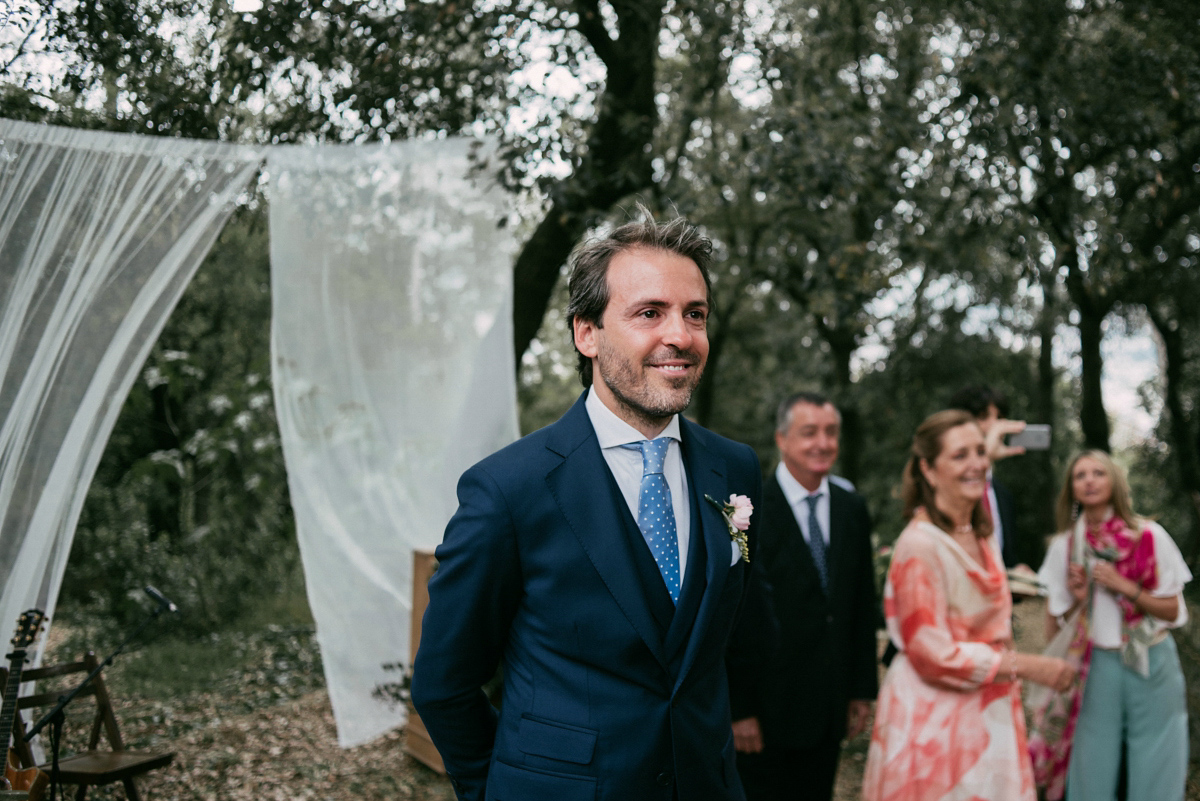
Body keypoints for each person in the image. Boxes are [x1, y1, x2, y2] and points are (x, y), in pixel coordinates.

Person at [410, 210, 764, 801]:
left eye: (694, 314)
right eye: (650, 313)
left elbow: (731, 639)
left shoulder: (736, 469)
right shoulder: (508, 489)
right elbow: (444, 685)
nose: (681, 335)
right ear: (587, 334)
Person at [862, 409, 1074, 801]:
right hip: (934, 719)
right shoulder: (918, 546)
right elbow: (931, 653)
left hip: (989, 706)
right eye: (960, 455)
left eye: (980, 452)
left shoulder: (981, 533)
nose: (977, 463)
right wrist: (1030, 666)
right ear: (928, 469)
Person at [727, 392, 878, 801]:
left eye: (831, 432)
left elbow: (862, 604)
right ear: (782, 439)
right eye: (809, 432)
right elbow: (732, 616)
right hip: (765, 714)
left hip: (828, 709)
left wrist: (862, 689)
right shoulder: (745, 513)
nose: (823, 443)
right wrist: (739, 710)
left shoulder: (851, 507)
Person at [1031, 450, 1191, 801]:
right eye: (1080, 475)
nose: (1089, 480)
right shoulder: (1064, 547)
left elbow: (1173, 610)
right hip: (1095, 664)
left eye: (1098, 473)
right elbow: (1053, 631)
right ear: (1071, 489)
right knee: (1091, 760)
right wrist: (1076, 598)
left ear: (1114, 481)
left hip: (1152, 657)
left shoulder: (1149, 536)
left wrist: (1126, 587)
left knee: (1158, 754)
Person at [947, 384, 1025, 567]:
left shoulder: (1003, 495)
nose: (995, 425)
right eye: (983, 417)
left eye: (999, 418)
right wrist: (985, 455)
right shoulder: (946, 485)